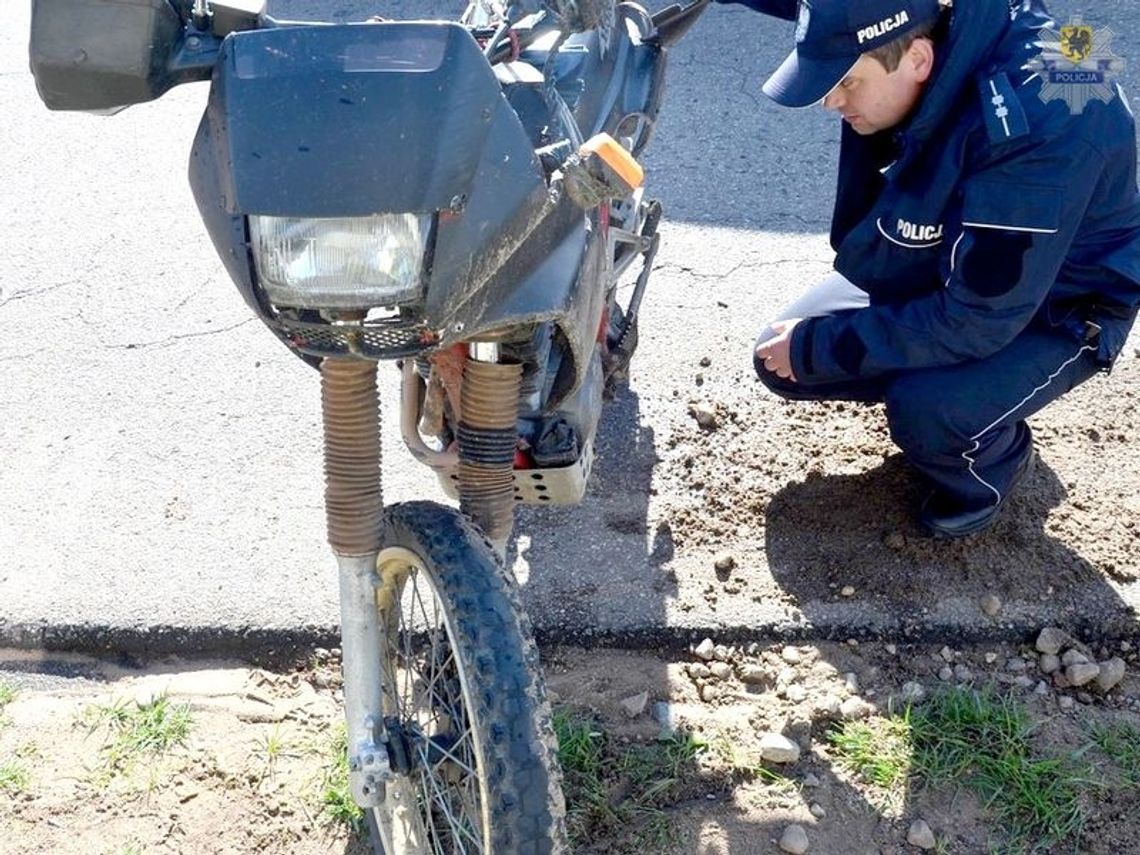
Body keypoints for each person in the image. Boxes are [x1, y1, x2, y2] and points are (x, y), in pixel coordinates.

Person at [718, 0, 1140, 537]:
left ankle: (994, 462)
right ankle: (974, 390)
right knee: (779, 355)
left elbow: (978, 319)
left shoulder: (1040, 126)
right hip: (962, 251)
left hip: (1062, 304)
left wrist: (816, 348)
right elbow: (834, 11)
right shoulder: (933, 17)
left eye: (847, 81)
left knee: (927, 411)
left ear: (918, 59)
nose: (830, 100)